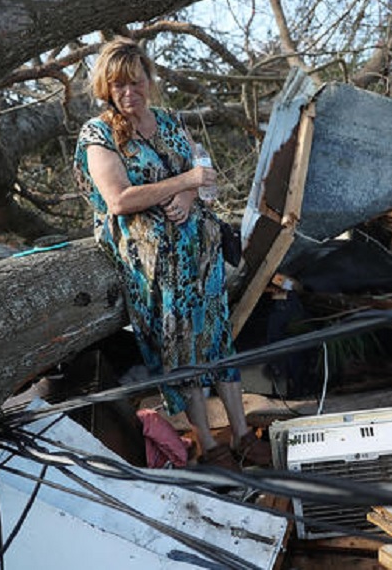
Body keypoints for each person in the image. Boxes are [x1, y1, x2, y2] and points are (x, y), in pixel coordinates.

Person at [73, 37, 270, 470]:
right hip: (155, 268)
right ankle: (208, 445)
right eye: (118, 86)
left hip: (200, 256)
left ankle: (240, 435)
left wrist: (194, 192)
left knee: (218, 341)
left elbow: (210, 181)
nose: (129, 93)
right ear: (106, 88)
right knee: (182, 349)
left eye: (136, 82)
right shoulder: (98, 133)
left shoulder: (170, 120)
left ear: (149, 80)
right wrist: (183, 183)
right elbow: (120, 199)